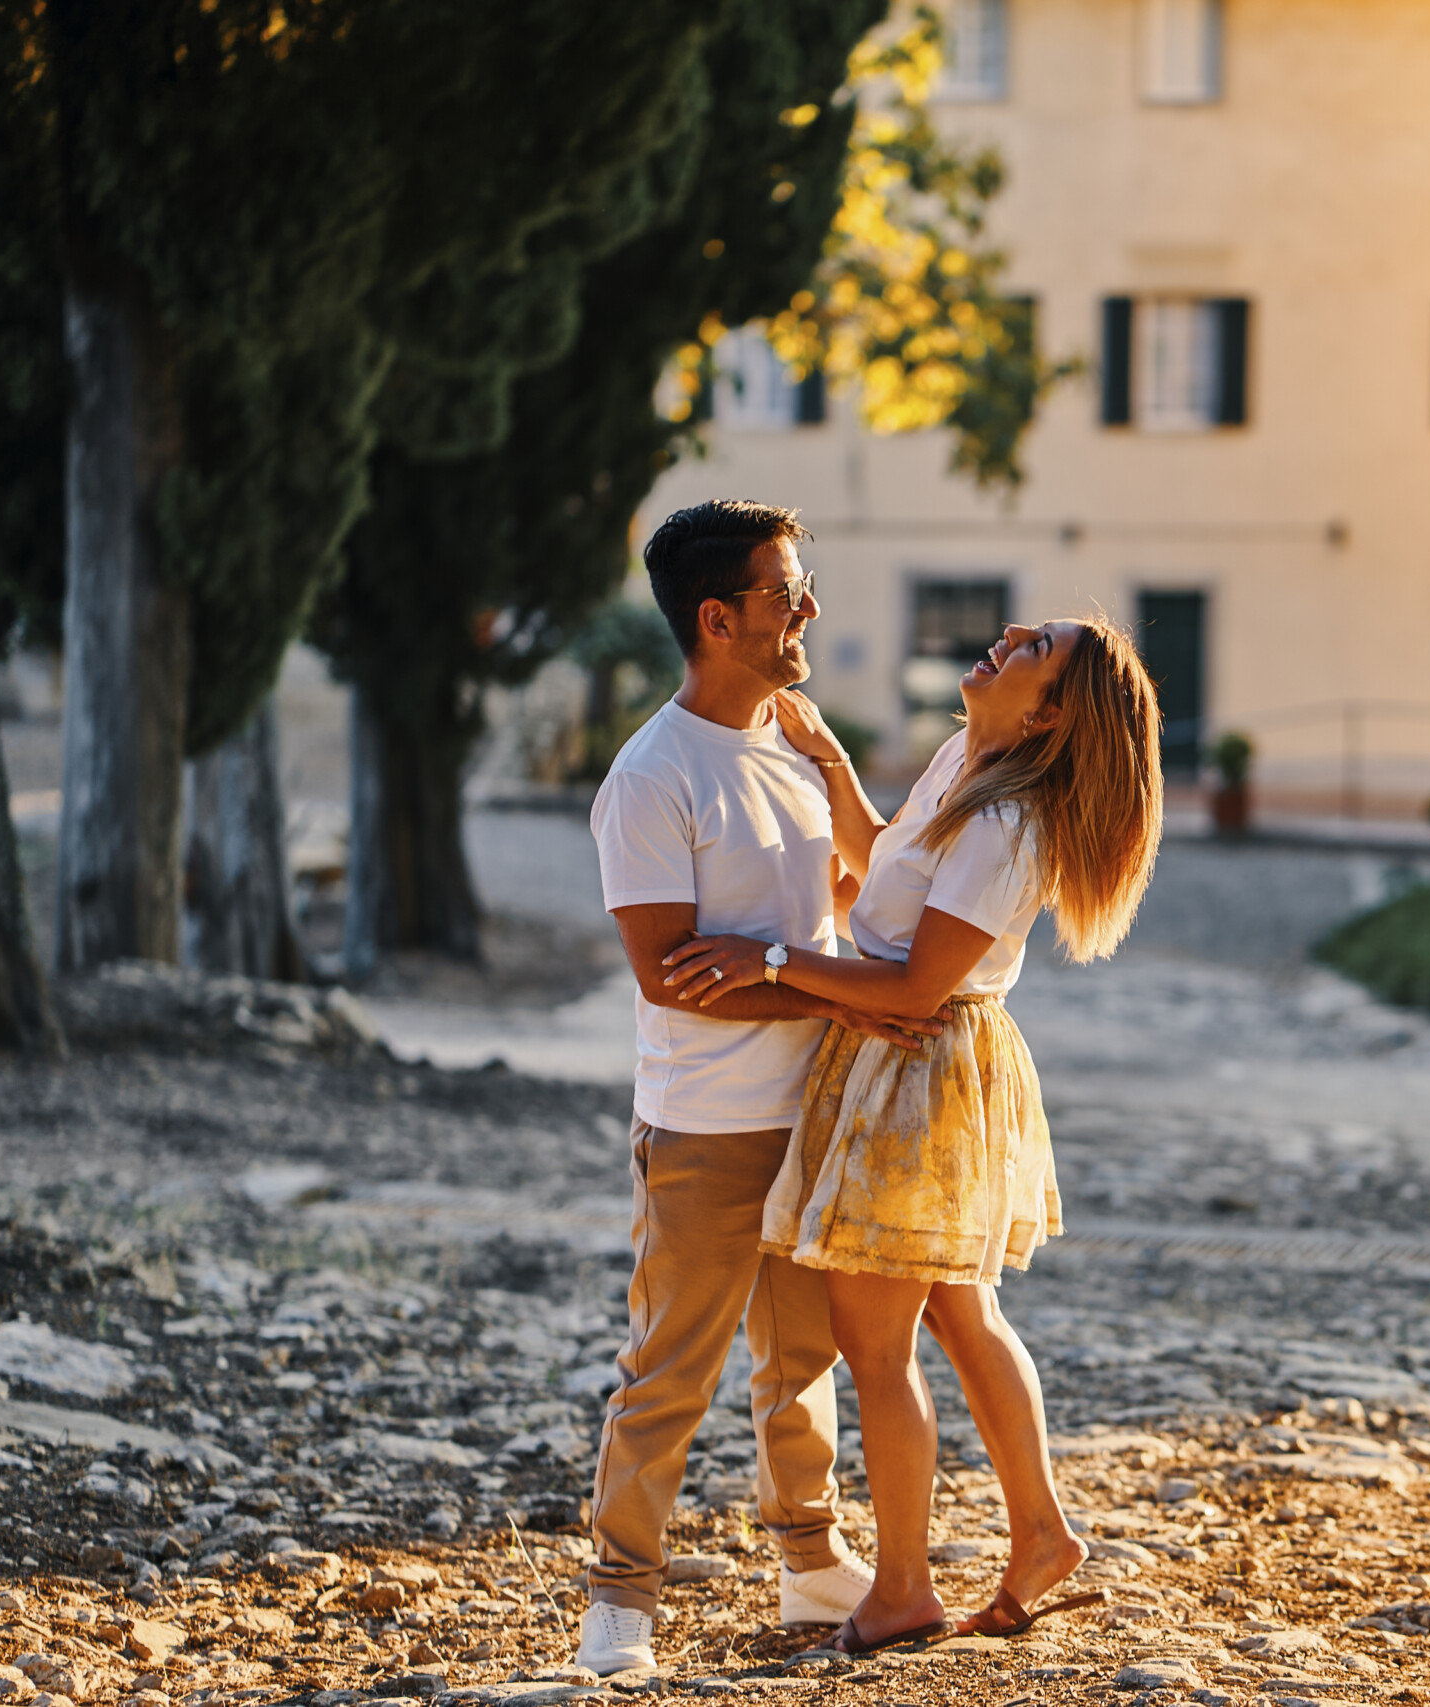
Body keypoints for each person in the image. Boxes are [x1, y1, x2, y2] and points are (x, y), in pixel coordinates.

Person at [662, 613, 1164, 1655]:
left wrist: (764, 962)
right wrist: (835, 766)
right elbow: (884, 868)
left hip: (918, 1066)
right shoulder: (966, 761)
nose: (1010, 634)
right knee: (957, 1317)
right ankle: (1040, 1533)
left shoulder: (1009, 822)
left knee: (877, 1344)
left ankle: (900, 1588)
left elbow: (917, 982)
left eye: (1036, 651)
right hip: (909, 1059)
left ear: (1050, 714)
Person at [575, 500, 945, 1676]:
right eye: (789, 593)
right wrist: (841, 993)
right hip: (707, 1127)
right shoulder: (651, 776)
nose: (811, 609)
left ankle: (807, 1558)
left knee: (806, 1359)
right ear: (719, 617)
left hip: (820, 1110)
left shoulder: (794, 739)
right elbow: (670, 977)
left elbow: (875, 879)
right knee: (669, 1369)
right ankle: (617, 1603)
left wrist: (831, 758)